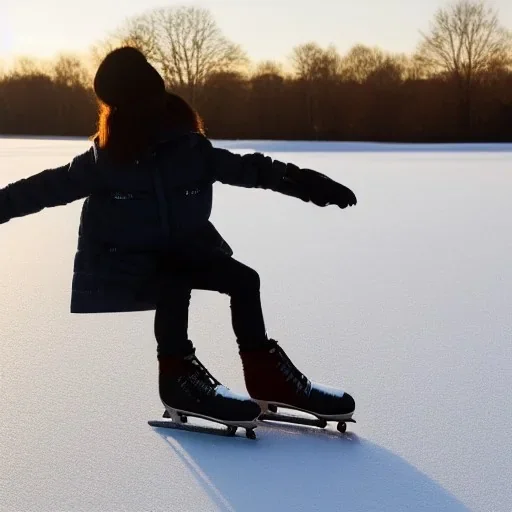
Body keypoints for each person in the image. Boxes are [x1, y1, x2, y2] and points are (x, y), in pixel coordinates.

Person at [0, 47, 357, 431]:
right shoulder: (105, 163)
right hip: (129, 261)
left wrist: (300, 180)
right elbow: (41, 189)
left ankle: (267, 376)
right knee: (173, 282)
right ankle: (178, 377)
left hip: (187, 248)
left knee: (243, 280)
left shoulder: (190, 149)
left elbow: (249, 168)